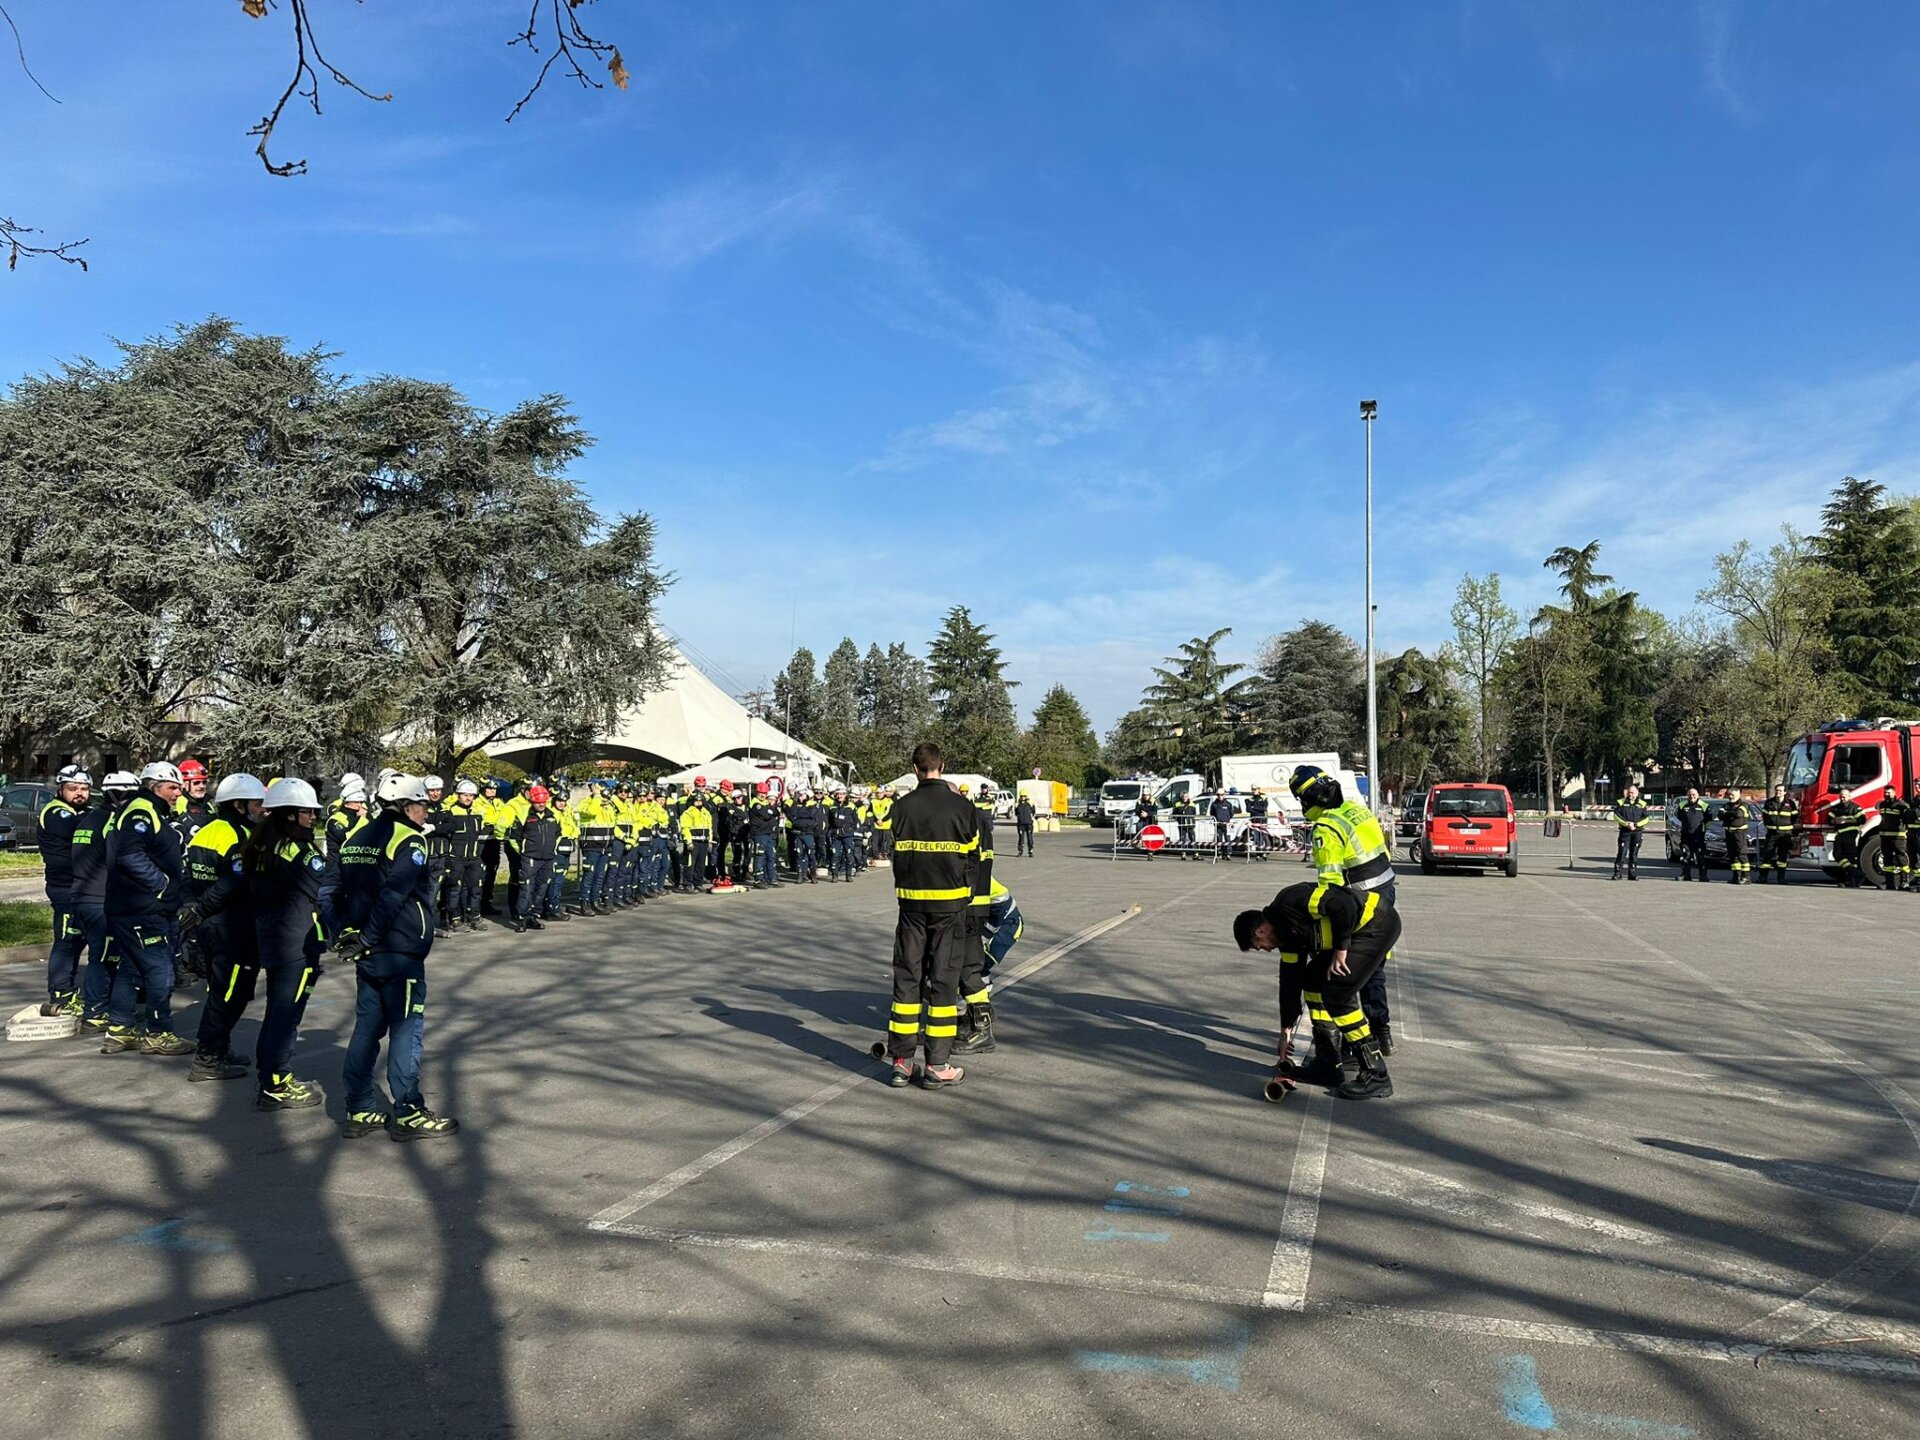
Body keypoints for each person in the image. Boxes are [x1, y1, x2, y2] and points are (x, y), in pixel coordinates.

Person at [336, 774, 458, 1140]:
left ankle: (359, 1109)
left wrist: (349, 934)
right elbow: (394, 895)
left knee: (366, 1030)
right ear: (406, 806)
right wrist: (370, 936)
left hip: (367, 948)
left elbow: (335, 889)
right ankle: (408, 1110)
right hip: (397, 949)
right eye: (422, 805)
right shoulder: (408, 839)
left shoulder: (356, 837)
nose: (425, 812)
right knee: (406, 1030)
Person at [1233, 879, 1400, 1101]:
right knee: (1312, 982)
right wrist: (1286, 1031)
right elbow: (1290, 983)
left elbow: (1343, 905)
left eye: (1258, 946)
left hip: (1375, 923)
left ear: (1260, 931)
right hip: (1354, 935)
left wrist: (1341, 949)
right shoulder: (1287, 940)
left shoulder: (1289, 902)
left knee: (1337, 994)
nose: (1264, 950)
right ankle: (1328, 1064)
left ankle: (1376, 1073)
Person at [884, 742, 979, 1089]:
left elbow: (890, 849)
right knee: (943, 982)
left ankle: (901, 1062)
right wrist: (966, 895)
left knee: (907, 978)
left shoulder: (901, 807)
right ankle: (937, 1064)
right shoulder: (962, 807)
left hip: (910, 907)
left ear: (915, 768)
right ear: (943, 765)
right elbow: (974, 858)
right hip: (950, 908)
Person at [1290, 764, 1397, 1055]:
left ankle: (1354, 1041)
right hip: (1386, 894)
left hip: (1359, 903)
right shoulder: (1356, 810)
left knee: (1345, 970)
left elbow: (1330, 885)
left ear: (1309, 798)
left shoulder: (1326, 827)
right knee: (1376, 968)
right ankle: (1382, 1031)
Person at [242, 777, 333, 1110]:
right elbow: (323, 887)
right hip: (296, 942)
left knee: (276, 1012)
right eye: (308, 812)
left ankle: (269, 1076)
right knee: (286, 1015)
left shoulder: (263, 844)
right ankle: (275, 1082)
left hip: (272, 937)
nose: (313, 818)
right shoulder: (298, 849)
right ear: (291, 814)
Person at [179, 772, 269, 1084]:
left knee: (223, 990)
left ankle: (220, 1048)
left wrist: (193, 908)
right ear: (240, 804)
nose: (262, 809)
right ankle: (208, 1058)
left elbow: (189, 876)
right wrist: (201, 907)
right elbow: (233, 883)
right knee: (230, 995)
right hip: (232, 925)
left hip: (209, 925)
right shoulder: (240, 836)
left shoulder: (205, 831)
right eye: (257, 803)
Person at [102, 761, 193, 1057]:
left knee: (130, 969)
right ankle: (158, 1033)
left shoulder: (151, 810)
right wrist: (162, 885)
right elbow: (130, 854)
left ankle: (120, 1029)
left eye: (179, 787)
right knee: (159, 970)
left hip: (134, 906)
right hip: (143, 907)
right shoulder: (141, 810)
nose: (178, 793)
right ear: (154, 786)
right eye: (172, 787)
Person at [74, 771, 138, 1031]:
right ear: (119, 795)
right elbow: (118, 862)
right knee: (105, 959)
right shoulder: (113, 821)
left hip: (82, 897)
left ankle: (99, 1009)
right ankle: (95, 1013)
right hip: (101, 900)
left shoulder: (87, 819)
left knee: (99, 956)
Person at [37, 764, 94, 1018]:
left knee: (82, 939)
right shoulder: (56, 812)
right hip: (65, 888)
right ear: (60, 789)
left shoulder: (83, 811)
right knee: (67, 940)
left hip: (84, 887)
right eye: (73, 788)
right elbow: (80, 828)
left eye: (84, 789)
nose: (79, 793)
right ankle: (60, 994)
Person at [509, 785, 562, 931]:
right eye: (538, 802)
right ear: (532, 801)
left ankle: (533, 916)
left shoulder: (553, 816)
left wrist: (553, 850)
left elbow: (558, 834)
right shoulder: (523, 815)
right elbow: (514, 838)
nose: (541, 804)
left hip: (548, 859)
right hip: (530, 858)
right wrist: (524, 852)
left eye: (544, 802)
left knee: (541, 889)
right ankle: (522, 918)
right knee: (526, 888)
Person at [1610, 784, 1652, 881]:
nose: (1630, 794)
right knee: (1622, 853)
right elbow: (1616, 816)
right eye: (1629, 792)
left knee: (1634, 854)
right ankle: (1617, 873)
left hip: (1637, 832)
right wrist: (1626, 824)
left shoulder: (1642, 804)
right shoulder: (1620, 802)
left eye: (1632, 793)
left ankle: (1632, 874)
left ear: (1637, 794)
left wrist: (1636, 825)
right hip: (1625, 831)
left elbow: (1646, 818)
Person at [679, 787, 716, 894]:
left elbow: (709, 827)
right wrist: (688, 841)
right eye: (696, 800)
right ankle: (687, 884)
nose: (698, 802)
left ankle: (698, 883)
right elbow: (685, 828)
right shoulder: (688, 813)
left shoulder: (706, 812)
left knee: (701, 864)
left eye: (700, 800)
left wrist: (709, 841)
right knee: (690, 864)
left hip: (704, 842)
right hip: (693, 842)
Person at [1826, 790, 1866, 889]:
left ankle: (1852, 881)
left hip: (1850, 834)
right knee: (1837, 854)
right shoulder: (1836, 808)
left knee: (1850, 857)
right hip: (1839, 834)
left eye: (1844, 797)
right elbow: (1828, 819)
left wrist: (1846, 820)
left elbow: (1862, 819)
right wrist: (1835, 820)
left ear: (1849, 796)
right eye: (1841, 797)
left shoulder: (1855, 807)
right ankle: (1858, 874)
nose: (1842, 799)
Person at [1758, 784, 1797, 885]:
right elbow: (1765, 816)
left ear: (1785, 792)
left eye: (1780, 791)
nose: (1778, 793)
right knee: (1767, 855)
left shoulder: (1790, 804)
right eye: (1776, 790)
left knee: (1782, 857)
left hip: (1785, 834)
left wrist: (1788, 828)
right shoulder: (1769, 802)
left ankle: (1781, 878)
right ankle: (1763, 877)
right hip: (1772, 834)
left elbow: (1794, 818)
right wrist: (1769, 826)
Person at [1877, 785, 1911, 892]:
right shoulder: (1882, 804)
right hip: (1885, 836)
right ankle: (1889, 883)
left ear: (1894, 793)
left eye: (1889, 793)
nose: (1886, 794)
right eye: (1885, 792)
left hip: (1897, 836)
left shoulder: (1901, 805)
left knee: (1901, 858)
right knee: (1887, 860)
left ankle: (1904, 882)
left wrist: (1906, 831)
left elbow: (1907, 819)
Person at [1672, 788, 1711, 881]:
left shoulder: (1704, 805)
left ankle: (1703, 876)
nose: (1692, 796)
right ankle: (1685, 875)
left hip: (1699, 836)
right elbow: (1679, 817)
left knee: (1700, 856)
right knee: (1685, 855)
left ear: (1698, 795)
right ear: (1687, 795)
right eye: (1690, 794)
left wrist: (1703, 829)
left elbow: (1708, 820)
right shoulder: (1682, 805)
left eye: (1694, 794)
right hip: (1686, 835)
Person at [325, 775, 368, 856]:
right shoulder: (336, 815)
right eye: (356, 802)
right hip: (338, 863)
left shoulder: (363, 808)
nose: (359, 805)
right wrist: (362, 819)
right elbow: (349, 839)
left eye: (361, 802)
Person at [749, 787, 782, 888]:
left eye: (764, 793)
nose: (762, 795)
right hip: (759, 834)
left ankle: (771, 878)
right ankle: (758, 880)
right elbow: (767, 815)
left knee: (771, 856)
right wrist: (770, 811)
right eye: (760, 793)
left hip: (768, 834)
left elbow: (776, 813)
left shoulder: (766, 805)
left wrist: (771, 810)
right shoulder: (756, 804)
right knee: (760, 857)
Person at [790, 789, 825, 883]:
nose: (801, 797)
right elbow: (792, 815)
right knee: (799, 854)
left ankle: (813, 874)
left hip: (808, 833)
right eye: (800, 795)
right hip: (797, 833)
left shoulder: (812, 804)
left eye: (803, 795)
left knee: (811, 854)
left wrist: (800, 814)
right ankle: (800, 875)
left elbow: (811, 815)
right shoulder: (795, 805)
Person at [1722, 788, 1755, 886]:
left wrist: (1727, 813)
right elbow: (1720, 815)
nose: (1731, 797)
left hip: (1739, 832)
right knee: (1732, 855)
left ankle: (1746, 877)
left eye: (1733, 795)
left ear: (1738, 795)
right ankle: (1736, 876)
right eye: (1730, 795)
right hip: (1729, 832)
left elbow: (1739, 814)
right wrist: (1730, 813)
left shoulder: (1744, 805)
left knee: (1741, 854)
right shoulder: (1726, 805)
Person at [828, 789, 860, 881]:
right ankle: (835, 876)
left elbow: (856, 820)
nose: (840, 796)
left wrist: (852, 830)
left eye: (842, 794)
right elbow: (829, 820)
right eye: (838, 794)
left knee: (849, 854)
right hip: (836, 834)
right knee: (835, 854)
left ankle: (848, 875)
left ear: (846, 795)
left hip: (848, 834)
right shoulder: (832, 806)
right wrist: (830, 831)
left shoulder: (851, 806)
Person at [1245, 788, 1273, 861]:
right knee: (1256, 837)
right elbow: (1248, 809)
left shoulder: (1264, 797)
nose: (1254, 791)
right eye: (1253, 789)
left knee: (1264, 837)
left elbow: (1264, 808)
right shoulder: (1249, 799)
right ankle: (1258, 854)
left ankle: (1264, 853)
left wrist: (1253, 807)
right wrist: (1257, 809)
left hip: (1262, 820)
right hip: (1254, 820)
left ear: (1258, 789)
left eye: (1255, 789)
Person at [1210, 791, 1237, 861]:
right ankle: (1221, 853)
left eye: (1221, 795)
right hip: (1218, 825)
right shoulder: (1214, 804)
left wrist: (1227, 820)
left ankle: (1228, 854)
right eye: (1218, 795)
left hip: (1226, 825)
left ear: (1224, 795)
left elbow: (1232, 813)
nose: (1220, 796)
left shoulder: (1228, 804)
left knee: (1227, 839)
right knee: (1219, 839)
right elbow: (1212, 813)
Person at [1173, 792, 1199, 857]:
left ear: (1188, 797)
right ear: (1181, 797)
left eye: (1186, 796)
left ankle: (1195, 854)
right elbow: (1174, 814)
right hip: (1182, 825)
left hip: (1190, 825)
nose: (1185, 798)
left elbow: (1194, 814)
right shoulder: (1177, 804)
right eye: (1183, 796)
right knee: (1182, 840)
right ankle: (1183, 854)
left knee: (1193, 839)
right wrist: (1179, 819)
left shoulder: (1192, 804)